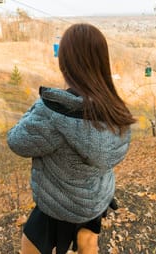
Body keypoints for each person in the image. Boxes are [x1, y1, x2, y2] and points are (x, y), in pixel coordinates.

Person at [7, 23, 135, 254]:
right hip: (95, 198)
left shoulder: (53, 113)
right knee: (88, 244)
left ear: (65, 62)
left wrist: (39, 106)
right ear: (102, 62)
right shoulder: (114, 109)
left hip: (59, 202)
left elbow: (16, 141)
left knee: (30, 245)